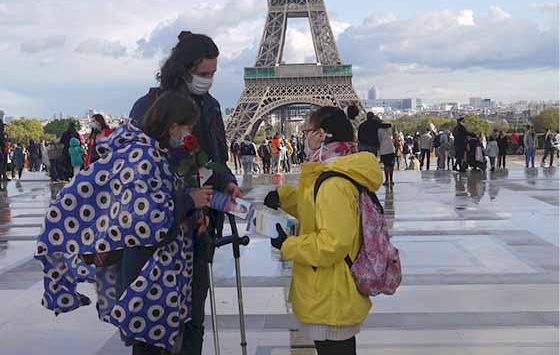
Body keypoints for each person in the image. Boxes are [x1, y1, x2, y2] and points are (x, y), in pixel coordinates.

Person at [37, 92, 207, 355]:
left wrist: (192, 214)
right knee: (150, 346)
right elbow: (147, 221)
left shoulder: (151, 152)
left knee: (154, 343)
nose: (187, 134)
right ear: (173, 126)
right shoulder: (143, 156)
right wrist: (189, 200)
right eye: (188, 128)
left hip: (157, 274)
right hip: (149, 275)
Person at [129, 31, 240, 354]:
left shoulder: (212, 106)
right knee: (153, 319)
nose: (208, 80)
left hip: (201, 226)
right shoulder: (150, 106)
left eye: (213, 73)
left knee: (193, 317)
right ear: (183, 69)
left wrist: (227, 181)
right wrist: (186, 197)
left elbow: (217, 158)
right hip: (160, 230)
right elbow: (139, 178)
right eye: (203, 74)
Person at [264, 106, 382, 355]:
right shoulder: (332, 173)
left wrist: (289, 245)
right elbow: (316, 209)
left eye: (307, 130)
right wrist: (284, 199)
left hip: (331, 292)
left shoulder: (334, 182)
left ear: (322, 135)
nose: (304, 136)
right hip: (329, 288)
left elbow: (333, 243)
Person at [378, 122, 396, 187]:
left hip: (383, 149)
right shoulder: (390, 130)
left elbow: (379, 139)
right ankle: (391, 180)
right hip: (391, 149)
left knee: (386, 165)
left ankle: (386, 180)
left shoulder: (379, 130)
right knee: (391, 166)